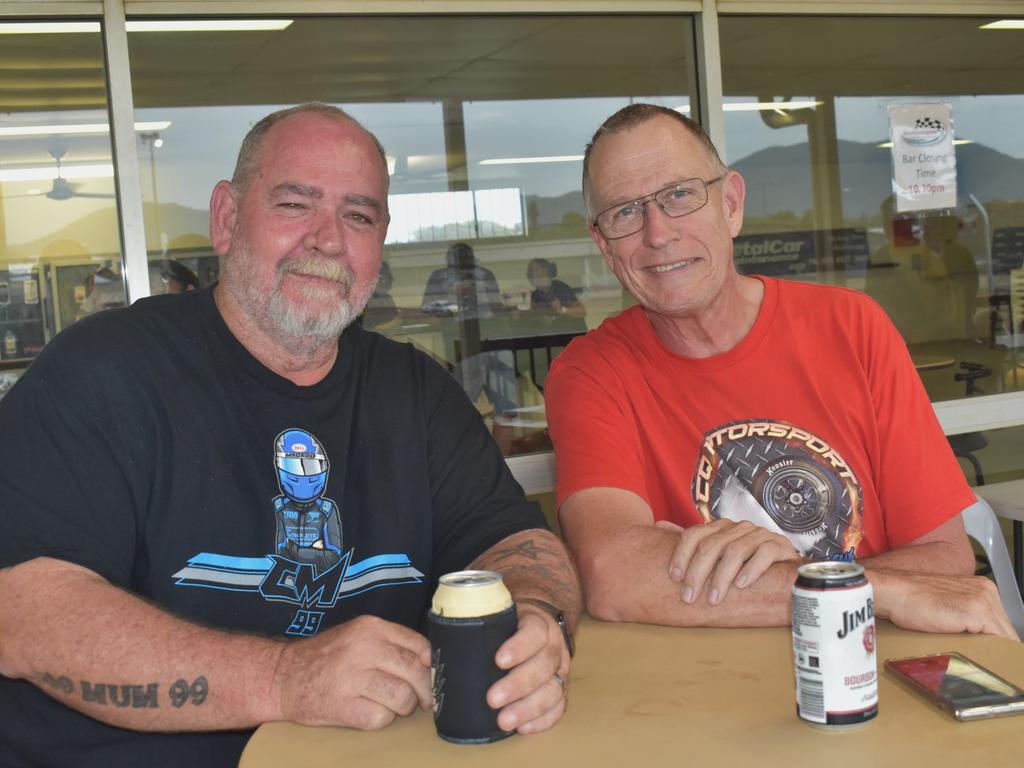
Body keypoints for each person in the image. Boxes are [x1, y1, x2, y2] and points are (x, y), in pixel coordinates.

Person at [0, 103, 581, 767]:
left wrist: (538, 623)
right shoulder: (102, 374)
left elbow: (517, 540)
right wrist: (283, 679)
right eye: (295, 204)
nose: (328, 239)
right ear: (225, 219)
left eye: (358, 215)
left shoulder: (415, 392)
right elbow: (24, 615)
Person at [544, 103, 1014, 640]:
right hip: (711, 687)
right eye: (625, 212)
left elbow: (945, 557)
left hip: (877, 662)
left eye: (679, 195)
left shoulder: (851, 326)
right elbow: (615, 572)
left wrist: (771, 583)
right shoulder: (592, 372)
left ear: (732, 204)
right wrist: (864, 588)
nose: (658, 233)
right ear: (604, 246)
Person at [420, 242, 503, 318]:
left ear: (471, 258)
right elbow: (427, 306)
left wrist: (476, 290)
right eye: (456, 257)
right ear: (448, 259)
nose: (461, 261)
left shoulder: (485, 274)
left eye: (464, 256)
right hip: (451, 324)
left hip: (483, 322)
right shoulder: (439, 276)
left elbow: (495, 304)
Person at [525, 257, 587, 334]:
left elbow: (581, 311)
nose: (530, 274)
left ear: (546, 271)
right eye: (529, 270)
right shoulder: (535, 295)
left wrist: (562, 310)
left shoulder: (559, 287)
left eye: (534, 270)